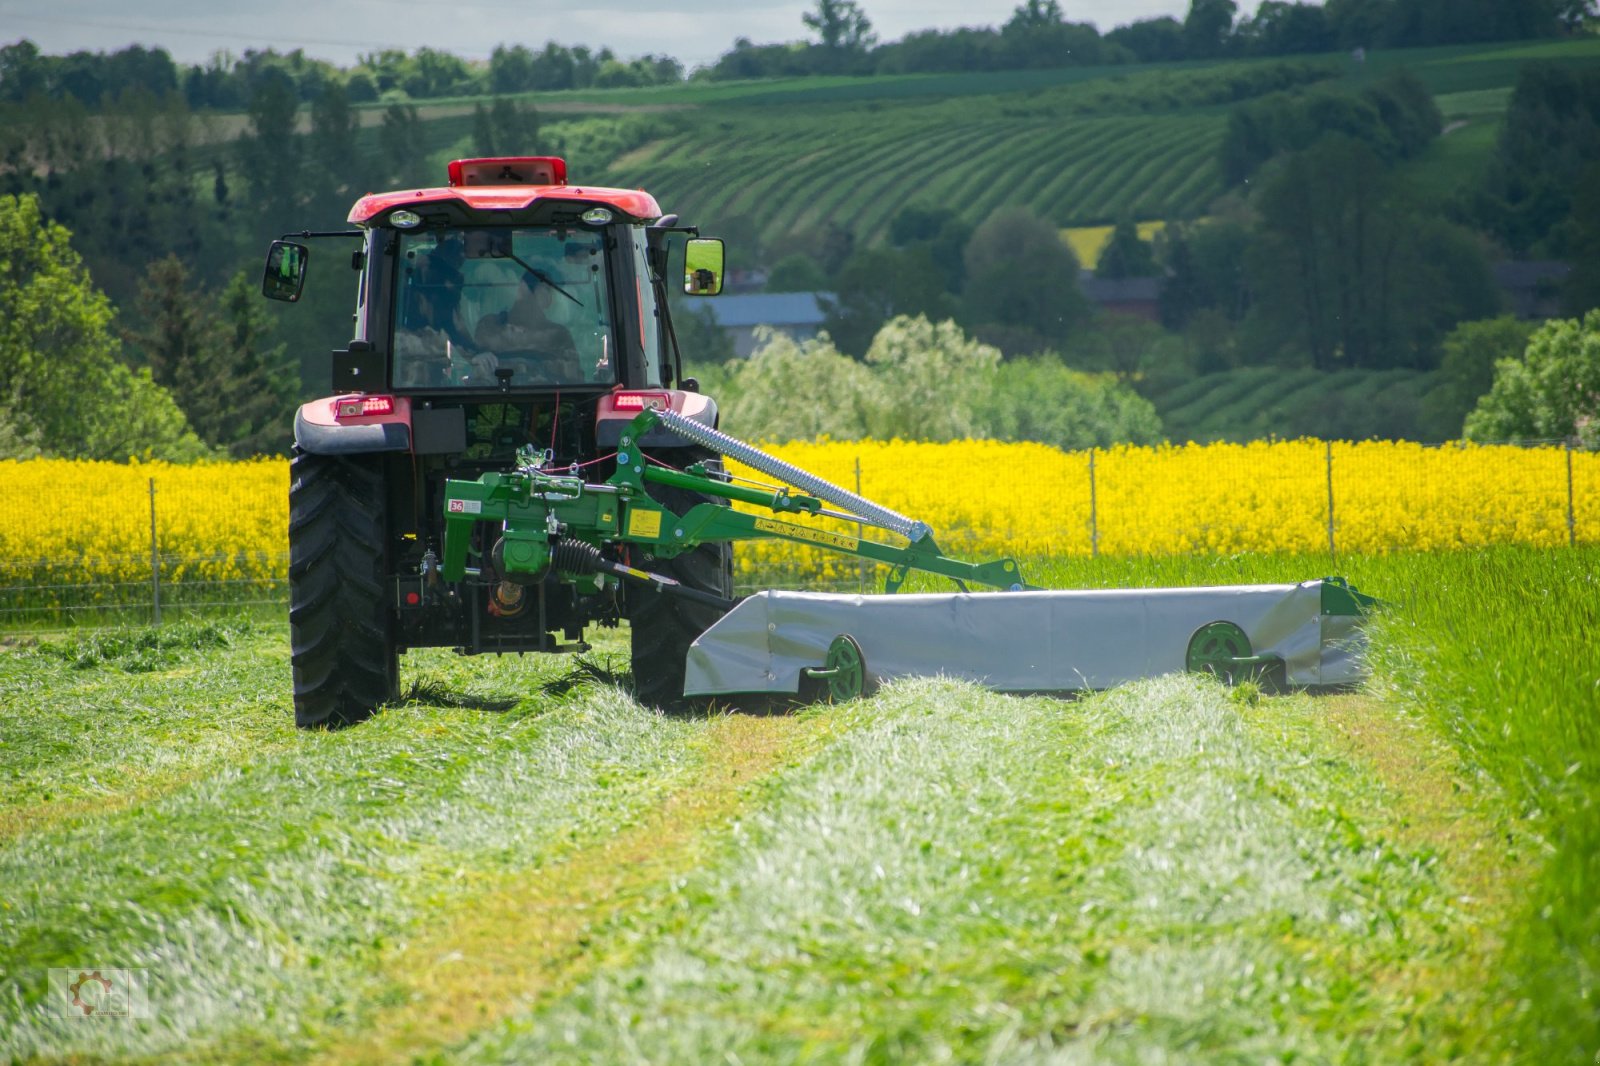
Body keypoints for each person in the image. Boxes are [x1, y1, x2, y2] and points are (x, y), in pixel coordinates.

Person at [473, 273, 580, 383]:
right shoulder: (490, 325)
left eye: (550, 291)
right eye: (545, 288)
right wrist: (479, 359)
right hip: (496, 391)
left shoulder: (558, 335)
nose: (549, 296)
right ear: (522, 290)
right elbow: (471, 365)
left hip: (546, 393)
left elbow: (574, 380)